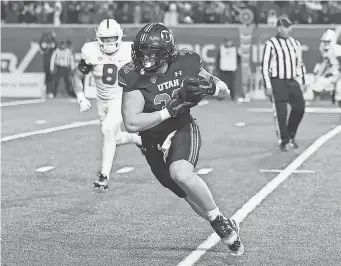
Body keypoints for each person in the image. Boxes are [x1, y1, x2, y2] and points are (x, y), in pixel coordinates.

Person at [118, 22, 244, 256]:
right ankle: (220, 219)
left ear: (166, 53)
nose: (145, 58)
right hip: (152, 139)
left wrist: (211, 88)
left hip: (181, 127)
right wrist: (169, 109)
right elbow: (132, 122)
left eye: (152, 52)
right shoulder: (132, 74)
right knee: (184, 192)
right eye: (142, 50)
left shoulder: (185, 62)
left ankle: (218, 221)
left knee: (181, 173)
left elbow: (223, 92)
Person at [72, 19, 142, 190]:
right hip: (101, 99)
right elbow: (77, 77)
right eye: (105, 38)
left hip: (120, 97)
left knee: (108, 129)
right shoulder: (90, 50)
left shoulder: (130, 50)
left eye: (112, 38)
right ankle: (137, 138)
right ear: (98, 38)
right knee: (114, 137)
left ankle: (104, 176)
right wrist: (81, 97)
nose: (109, 42)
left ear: (119, 36)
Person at [261, 17, 306, 152]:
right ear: (279, 28)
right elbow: (265, 66)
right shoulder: (271, 44)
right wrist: (267, 85)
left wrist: (303, 81)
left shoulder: (295, 43)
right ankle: (284, 139)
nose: (286, 30)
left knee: (300, 107)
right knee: (281, 112)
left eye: (288, 27)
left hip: (292, 80)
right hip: (277, 81)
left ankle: (291, 134)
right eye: (284, 27)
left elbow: (299, 63)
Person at [311, 29, 341, 111]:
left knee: (339, 92)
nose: (325, 43)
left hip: (338, 74)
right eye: (324, 41)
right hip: (332, 74)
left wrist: (336, 72)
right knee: (317, 86)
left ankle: (334, 98)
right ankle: (319, 103)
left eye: (327, 41)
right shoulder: (327, 51)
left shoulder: (338, 50)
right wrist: (318, 75)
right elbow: (324, 63)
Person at [39, 32, 57, 98]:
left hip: (51, 66)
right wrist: (43, 37)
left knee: (51, 79)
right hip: (46, 65)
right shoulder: (45, 50)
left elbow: (55, 45)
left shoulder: (52, 50)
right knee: (46, 79)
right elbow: (41, 45)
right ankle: (45, 92)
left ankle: (51, 92)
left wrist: (53, 37)